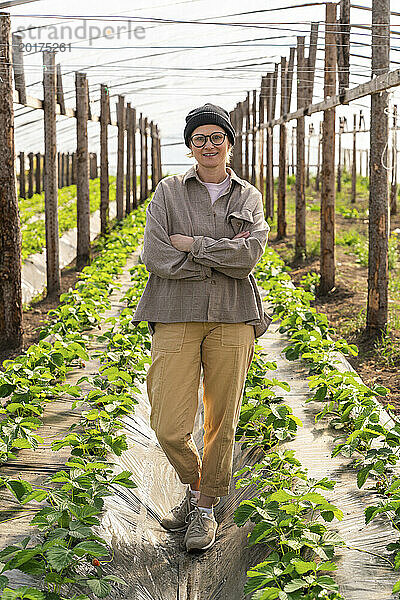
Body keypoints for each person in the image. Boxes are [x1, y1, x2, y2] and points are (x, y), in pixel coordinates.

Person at [132, 103, 271, 553]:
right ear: (190, 146)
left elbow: (248, 257)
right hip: (174, 312)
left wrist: (192, 246)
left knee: (220, 419)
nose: (208, 146)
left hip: (234, 316)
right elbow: (156, 257)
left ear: (230, 143)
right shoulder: (168, 192)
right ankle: (197, 489)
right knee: (169, 424)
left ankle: (206, 509)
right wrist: (219, 254)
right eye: (199, 139)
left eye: (217, 138)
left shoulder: (248, 196)